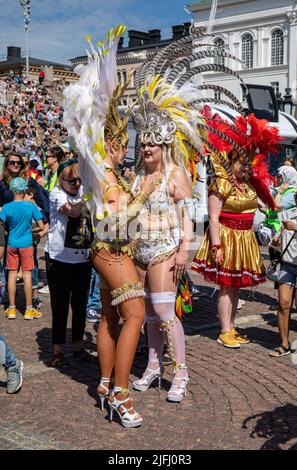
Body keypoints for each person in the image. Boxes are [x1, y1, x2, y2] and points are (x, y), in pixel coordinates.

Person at [63, 25, 157, 428]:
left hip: (113, 249)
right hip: (111, 249)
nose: (128, 151)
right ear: (115, 143)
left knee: (110, 318)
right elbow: (117, 217)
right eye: (125, 144)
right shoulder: (103, 170)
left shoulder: (105, 171)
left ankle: (104, 382)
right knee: (135, 312)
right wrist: (146, 191)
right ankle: (120, 394)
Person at [130, 68, 204, 402]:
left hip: (164, 249)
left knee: (164, 313)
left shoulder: (175, 175)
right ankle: (153, 366)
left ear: (163, 144)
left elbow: (189, 216)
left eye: (152, 143)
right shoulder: (136, 176)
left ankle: (181, 372)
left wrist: (183, 249)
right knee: (147, 316)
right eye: (143, 142)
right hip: (138, 251)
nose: (146, 147)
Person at [192, 112, 281, 348]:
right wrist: (216, 246)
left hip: (244, 240)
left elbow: (261, 206)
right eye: (242, 163)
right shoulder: (221, 183)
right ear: (232, 161)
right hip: (227, 238)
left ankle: (232, 327)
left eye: (248, 163)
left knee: (236, 288)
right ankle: (224, 330)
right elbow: (213, 217)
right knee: (225, 287)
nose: (246, 167)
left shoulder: (247, 184)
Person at [45, 160, 93, 368]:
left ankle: (78, 346)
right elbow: (72, 212)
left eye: (78, 180)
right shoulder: (56, 193)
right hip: (59, 259)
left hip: (82, 258)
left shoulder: (82, 189)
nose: (76, 184)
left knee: (80, 304)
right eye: (71, 181)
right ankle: (57, 351)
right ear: (61, 180)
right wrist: (88, 194)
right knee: (60, 305)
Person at [0, 177, 45, 320]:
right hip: (26, 243)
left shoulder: (7, 207)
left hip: (12, 242)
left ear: (12, 190)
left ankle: (12, 309)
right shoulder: (30, 206)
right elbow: (42, 226)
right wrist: (30, 230)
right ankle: (29, 309)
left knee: (12, 275)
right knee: (27, 275)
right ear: (24, 190)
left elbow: (2, 225)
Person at [269, 185, 297, 357]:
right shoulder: (289, 215)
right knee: (283, 304)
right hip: (287, 264)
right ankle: (284, 344)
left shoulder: (294, 221)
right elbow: (281, 244)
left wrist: (296, 228)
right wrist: (275, 241)